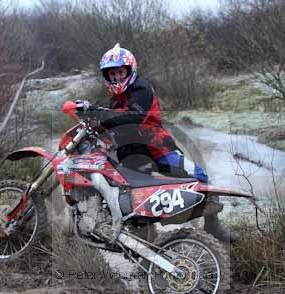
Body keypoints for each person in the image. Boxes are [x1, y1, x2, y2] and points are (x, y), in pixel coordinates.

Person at [76, 43, 236, 241]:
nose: (117, 77)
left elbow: (133, 117)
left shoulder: (142, 88)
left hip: (157, 150)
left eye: (120, 72)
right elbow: (110, 124)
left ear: (129, 71)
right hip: (131, 157)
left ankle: (213, 226)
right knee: (134, 203)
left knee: (200, 177)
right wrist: (91, 124)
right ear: (107, 76)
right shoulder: (115, 101)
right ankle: (142, 244)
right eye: (112, 74)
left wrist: (98, 114)